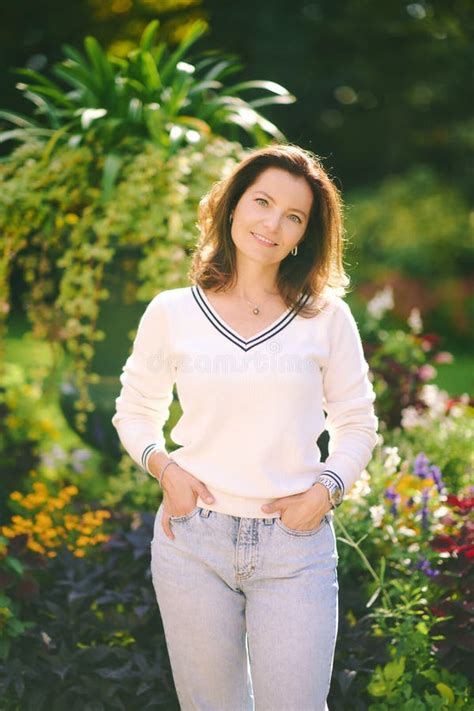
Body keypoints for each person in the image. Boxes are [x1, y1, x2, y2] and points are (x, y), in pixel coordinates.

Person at [111, 143, 378, 710]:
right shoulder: (172, 311)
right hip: (193, 542)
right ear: (232, 207)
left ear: (305, 233)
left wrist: (325, 492)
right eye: (262, 201)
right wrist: (165, 469)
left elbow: (357, 422)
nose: (272, 223)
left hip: (295, 546)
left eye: (294, 215)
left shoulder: (326, 318)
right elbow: (135, 412)